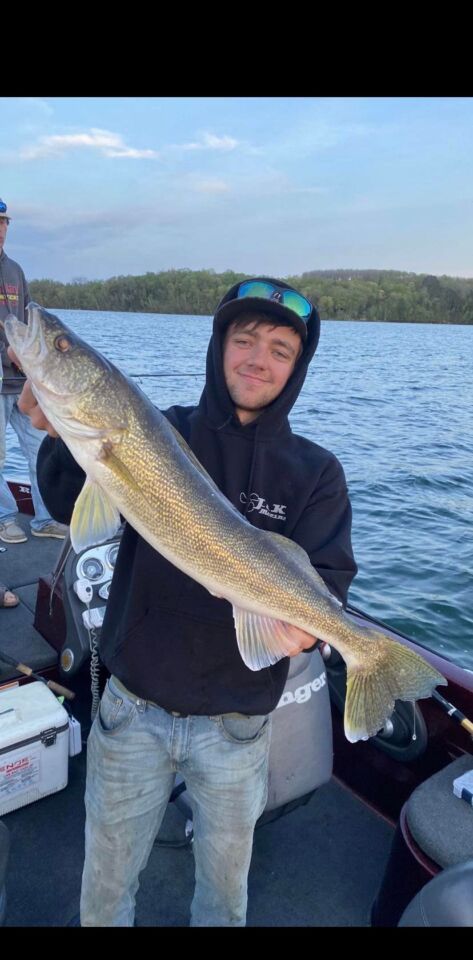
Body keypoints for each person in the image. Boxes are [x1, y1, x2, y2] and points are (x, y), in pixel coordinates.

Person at [15, 276, 357, 926]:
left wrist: (310, 628)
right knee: (106, 890)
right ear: (218, 345)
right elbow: (66, 505)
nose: (258, 358)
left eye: (280, 349)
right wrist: (61, 435)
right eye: (244, 338)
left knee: (224, 901)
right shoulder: (160, 429)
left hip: (238, 727)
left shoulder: (316, 474)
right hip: (130, 712)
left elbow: (328, 578)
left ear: (297, 367)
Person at [0, 198, 67, 543]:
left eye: (2, 223)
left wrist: (32, 364)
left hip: (23, 383)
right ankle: (4, 517)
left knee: (39, 449)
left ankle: (45, 518)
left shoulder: (15, 270)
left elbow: (26, 321)